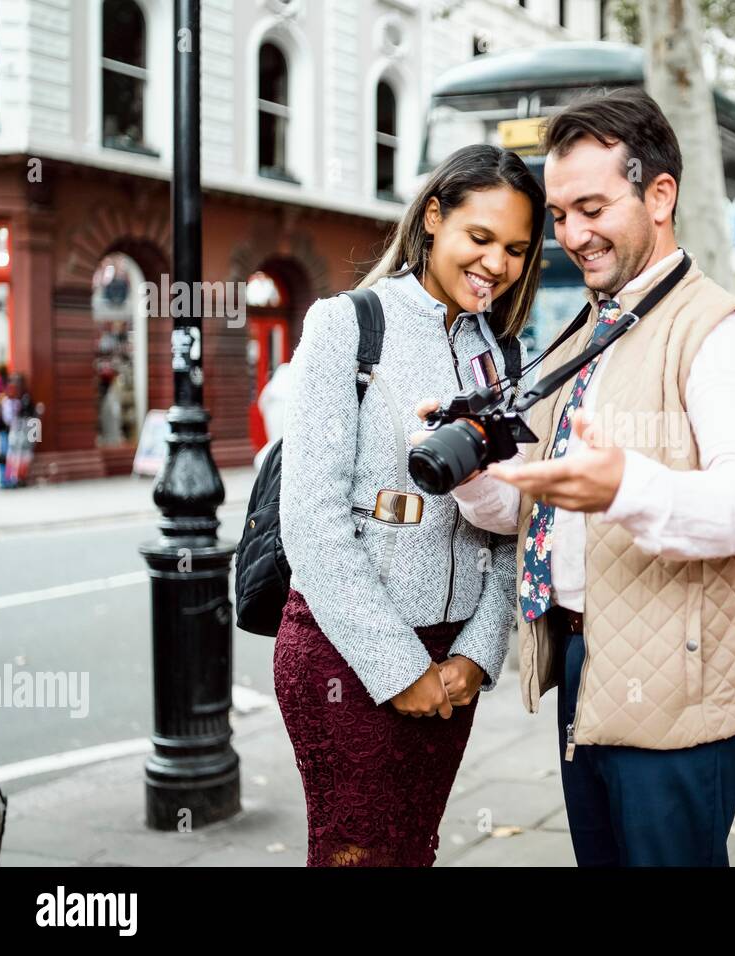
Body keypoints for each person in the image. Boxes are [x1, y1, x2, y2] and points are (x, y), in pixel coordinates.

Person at [417, 89, 735, 866]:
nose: (571, 235)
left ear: (660, 195)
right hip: (588, 665)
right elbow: (539, 507)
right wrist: (467, 470)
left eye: (591, 206)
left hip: (679, 683)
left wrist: (627, 486)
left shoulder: (721, 333)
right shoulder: (589, 328)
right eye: (558, 214)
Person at [274, 144, 545, 866]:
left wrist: (478, 656)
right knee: (357, 854)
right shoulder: (349, 324)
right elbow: (311, 523)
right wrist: (400, 669)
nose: (496, 264)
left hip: (452, 657)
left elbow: (514, 524)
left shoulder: (509, 358)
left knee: (413, 851)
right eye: (480, 238)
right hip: (344, 651)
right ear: (433, 217)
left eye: (516, 249)